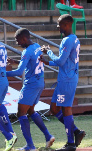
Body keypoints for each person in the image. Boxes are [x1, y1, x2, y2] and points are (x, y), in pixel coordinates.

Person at [39, 14, 85, 151]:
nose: (58, 26)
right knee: (54, 108)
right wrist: (47, 61)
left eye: (60, 24)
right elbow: (65, 61)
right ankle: (76, 132)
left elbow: (60, 61)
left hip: (67, 80)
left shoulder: (67, 40)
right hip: (66, 78)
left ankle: (70, 143)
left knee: (65, 109)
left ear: (67, 24)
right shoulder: (74, 39)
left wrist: (49, 52)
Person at [6, 28, 55, 151]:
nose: (17, 43)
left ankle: (30, 146)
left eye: (18, 40)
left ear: (23, 38)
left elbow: (18, 72)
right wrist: (16, 61)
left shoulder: (26, 51)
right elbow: (32, 62)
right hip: (40, 83)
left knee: (21, 113)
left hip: (30, 84)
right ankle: (48, 136)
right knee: (31, 110)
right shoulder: (37, 46)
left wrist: (0, 73)